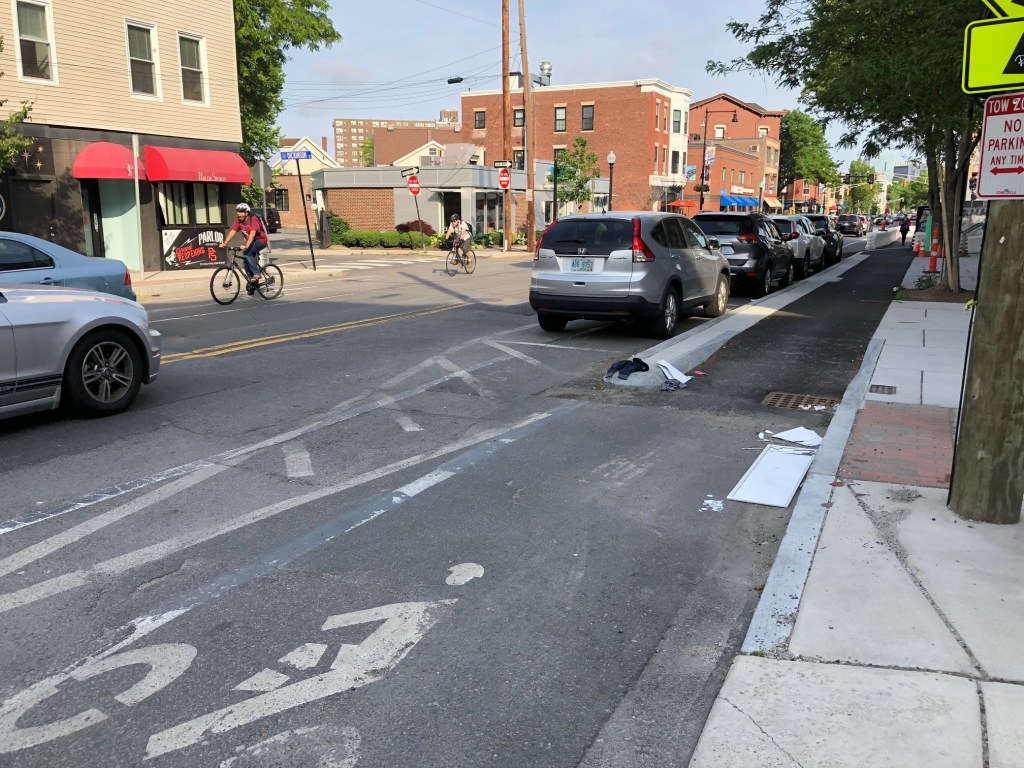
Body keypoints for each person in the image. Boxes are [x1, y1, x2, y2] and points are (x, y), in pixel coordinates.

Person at [221, 203, 269, 294]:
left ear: (246, 213)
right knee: (245, 262)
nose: (238, 214)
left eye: (241, 212)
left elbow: (253, 233)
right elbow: (232, 231)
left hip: (260, 241)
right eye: (238, 212)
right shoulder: (238, 220)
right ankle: (252, 284)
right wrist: (224, 243)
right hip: (251, 242)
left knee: (247, 253)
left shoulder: (253, 219)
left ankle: (257, 274)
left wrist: (246, 245)